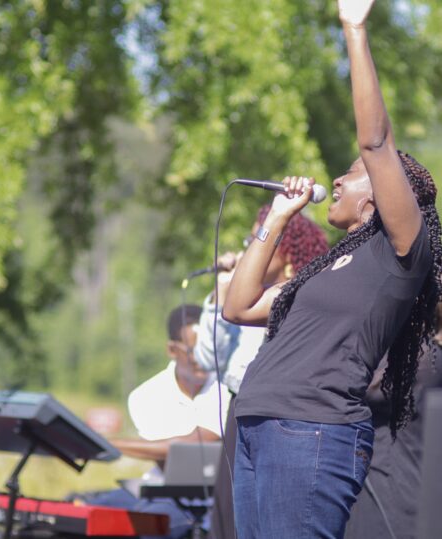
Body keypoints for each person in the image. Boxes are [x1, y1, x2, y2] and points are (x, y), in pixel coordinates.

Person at [222, 1, 442, 537]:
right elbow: (239, 305)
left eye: (352, 175)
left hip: (311, 433)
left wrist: (354, 28)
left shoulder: (400, 253)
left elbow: (376, 141)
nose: (338, 182)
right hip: (257, 424)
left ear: (386, 198)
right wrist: (275, 217)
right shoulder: (324, 268)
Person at [193, 205, 329, 539]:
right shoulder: (242, 300)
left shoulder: (298, 295)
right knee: (233, 520)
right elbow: (206, 358)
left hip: (280, 420)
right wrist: (219, 297)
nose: (250, 246)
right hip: (240, 414)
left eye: (259, 238)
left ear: (285, 253)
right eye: (251, 237)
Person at [77, 304, 230, 539]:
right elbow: (167, 465)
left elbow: (187, 447)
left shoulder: (227, 388)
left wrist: (105, 443)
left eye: (208, 349)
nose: (202, 358)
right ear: (172, 349)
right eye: (193, 351)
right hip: (160, 487)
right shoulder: (145, 395)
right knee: (81, 516)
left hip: (214, 497)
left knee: (150, 525)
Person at [344, 304, 442, 539]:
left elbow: (359, 387)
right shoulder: (430, 355)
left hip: (393, 486)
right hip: (410, 482)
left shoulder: (422, 357)